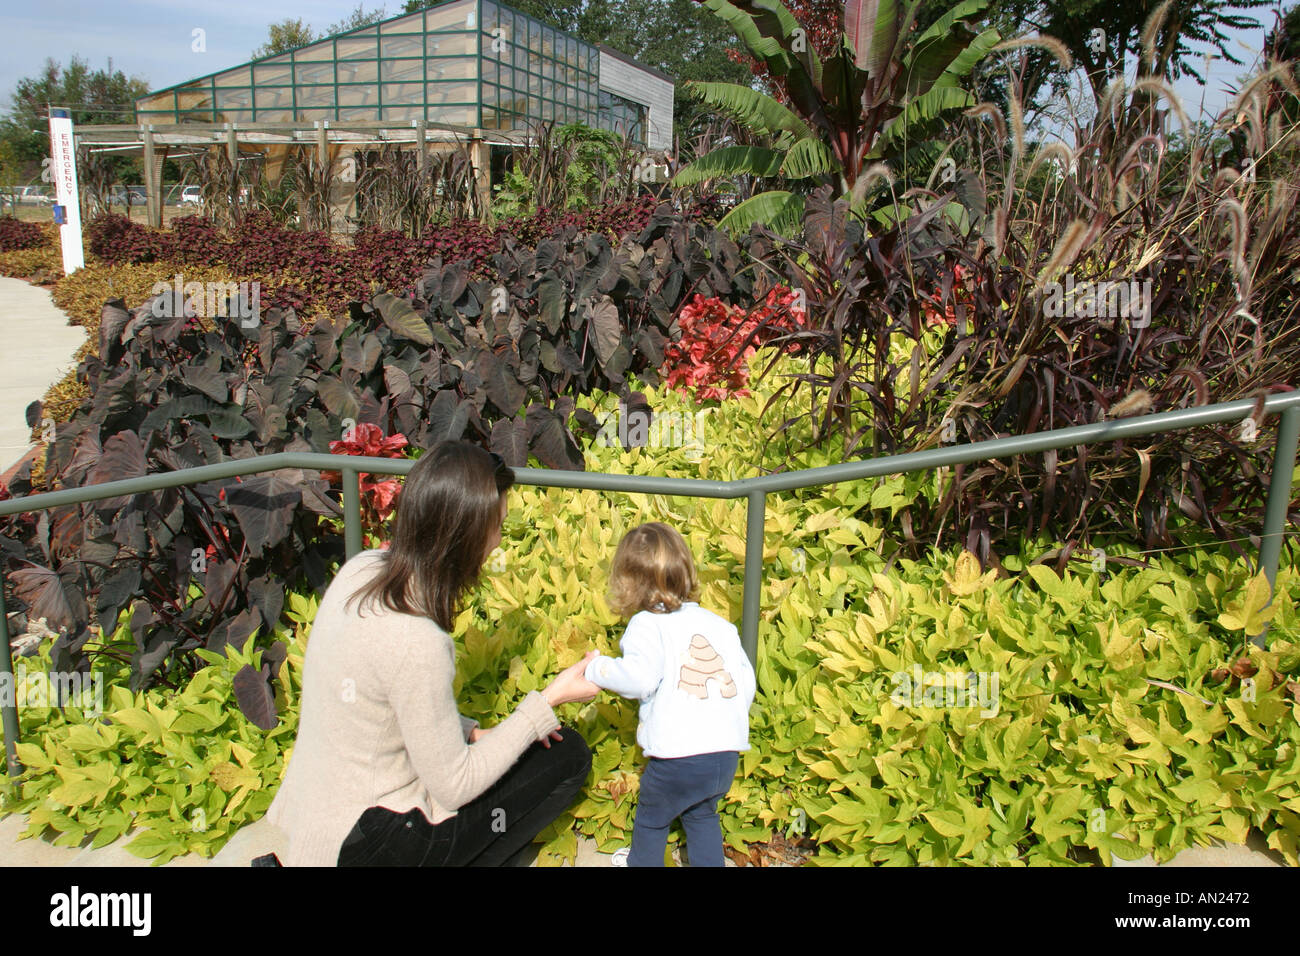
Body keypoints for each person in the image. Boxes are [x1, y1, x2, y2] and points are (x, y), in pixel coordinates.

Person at [265, 440, 601, 866]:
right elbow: (454, 785)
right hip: (368, 844)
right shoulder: (416, 640)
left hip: (316, 821)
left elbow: (387, 701)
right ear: (464, 538)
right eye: (495, 526)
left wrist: (473, 731)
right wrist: (546, 703)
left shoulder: (361, 569)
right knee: (567, 755)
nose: (498, 541)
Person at [583, 522, 756, 867]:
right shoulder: (720, 625)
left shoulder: (647, 624)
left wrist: (597, 668)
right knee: (701, 815)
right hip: (724, 754)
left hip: (678, 757)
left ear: (628, 583)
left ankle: (640, 861)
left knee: (653, 817)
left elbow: (639, 679)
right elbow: (745, 682)